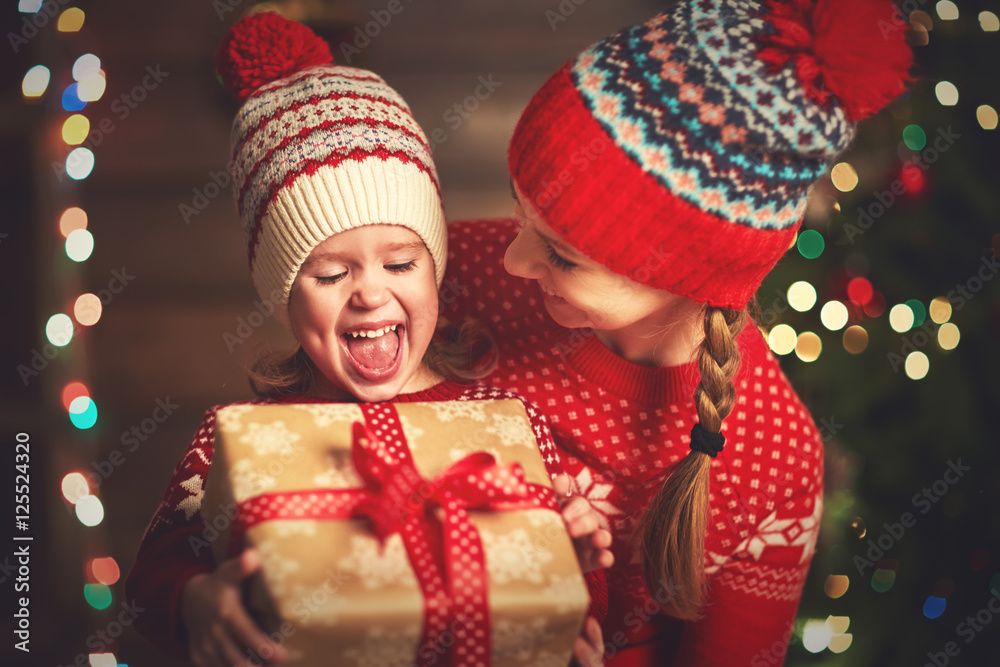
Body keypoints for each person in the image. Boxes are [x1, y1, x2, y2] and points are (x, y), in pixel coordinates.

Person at [124, 13, 612, 667]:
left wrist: (580, 563)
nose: (370, 292)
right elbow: (153, 572)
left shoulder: (503, 422)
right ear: (281, 294)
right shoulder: (238, 438)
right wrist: (194, 601)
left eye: (401, 263)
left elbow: (569, 590)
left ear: (436, 268)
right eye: (330, 272)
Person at [439, 0, 912, 664]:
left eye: (562, 253)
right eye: (521, 213)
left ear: (692, 272)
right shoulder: (451, 275)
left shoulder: (772, 461)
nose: (514, 259)